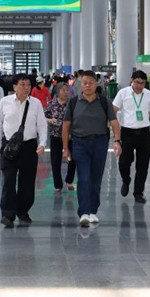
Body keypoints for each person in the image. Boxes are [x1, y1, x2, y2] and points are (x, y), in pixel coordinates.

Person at [62, 70, 122, 226]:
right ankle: (83, 212)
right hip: (79, 143)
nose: (87, 85)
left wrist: (117, 140)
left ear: (96, 84)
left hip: (99, 143)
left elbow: (114, 122)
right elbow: (66, 125)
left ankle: (93, 211)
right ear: (80, 84)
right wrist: (65, 148)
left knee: (95, 179)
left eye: (90, 83)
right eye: (84, 83)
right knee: (83, 178)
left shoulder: (104, 102)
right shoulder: (74, 102)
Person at [0, 73, 48, 227]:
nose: (26, 88)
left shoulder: (36, 103)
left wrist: (42, 143)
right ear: (14, 86)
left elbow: (42, 126)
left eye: (28, 85)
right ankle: (8, 214)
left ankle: (23, 211)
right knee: (9, 180)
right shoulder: (5, 102)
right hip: (9, 147)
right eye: (22, 84)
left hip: (29, 147)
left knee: (27, 181)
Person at [113, 70, 150, 204]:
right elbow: (113, 111)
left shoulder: (149, 95)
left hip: (144, 133)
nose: (139, 85)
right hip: (127, 133)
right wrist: (115, 132)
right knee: (124, 162)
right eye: (137, 82)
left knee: (143, 165)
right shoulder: (123, 93)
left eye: (142, 83)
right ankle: (126, 180)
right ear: (131, 80)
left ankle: (138, 192)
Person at [44, 83, 76, 192]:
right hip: (55, 135)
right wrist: (50, 120)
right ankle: (58, 185)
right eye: (63, 90)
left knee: (72, 159)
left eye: (67, 90)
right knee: (55, 161)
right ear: (58, 92)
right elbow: (44, 116)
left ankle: (69, 180)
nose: (66, 92)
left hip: (70, 136)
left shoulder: (71, 103)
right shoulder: (51, 104)